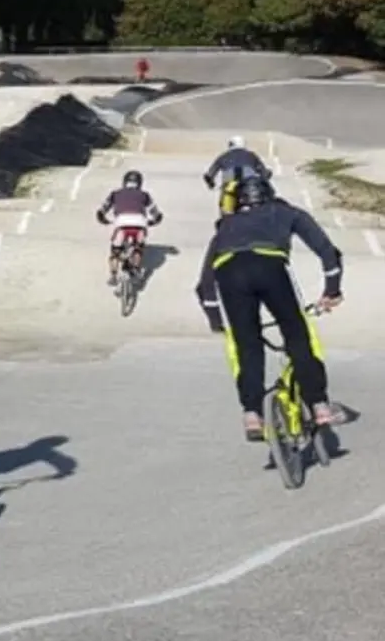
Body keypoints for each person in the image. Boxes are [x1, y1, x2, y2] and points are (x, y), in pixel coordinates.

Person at [194, 174, 345, 441]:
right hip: (269, 266)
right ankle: (319, 405)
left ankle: (252, 413)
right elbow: (327, 251)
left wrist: (215, 318)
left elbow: (205, 281)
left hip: (230, 272)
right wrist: (332, 289)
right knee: (296, 334)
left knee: (247, 345)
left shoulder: (227, 225)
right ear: (270, 194)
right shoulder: (286, 211)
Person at [95, 169, 164, 286]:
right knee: (138, 248)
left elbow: (103, 209)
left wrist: (103, 218)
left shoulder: (115, 193)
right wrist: (154, 220)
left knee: (115, 251)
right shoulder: (145, 195)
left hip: (121, 222)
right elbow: (155, 212)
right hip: (139, 222)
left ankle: (113, 275)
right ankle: (136, 269)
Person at [204, 135, 272, 191]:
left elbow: (210, 174)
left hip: (229, 184)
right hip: (248, 184)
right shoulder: (251, 155)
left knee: (225, 202)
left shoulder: (224, 156)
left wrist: (211, 183)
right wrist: (265, 175)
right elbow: (264, 172)